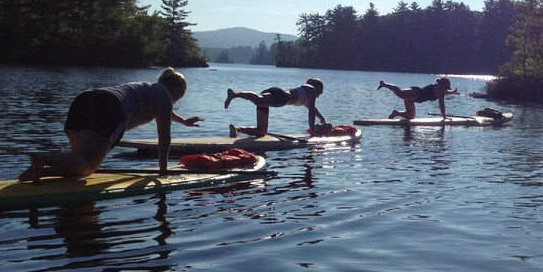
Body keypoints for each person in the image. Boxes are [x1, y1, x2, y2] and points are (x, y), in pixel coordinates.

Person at [20, 68, 203, 182]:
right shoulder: (163, 95)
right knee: (88, 165)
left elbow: (166, 113)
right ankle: (43, 158)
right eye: (179, 97)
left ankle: (39, 171)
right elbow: (164, 137)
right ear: (177, 90)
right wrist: (163, 171)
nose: (177, 102)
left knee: (78, 166)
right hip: (110, 108)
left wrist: (184, 122)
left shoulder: (150, 89)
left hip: (84, 100)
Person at [225, 78, 325, 137]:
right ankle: (234, 94)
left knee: (261, 131)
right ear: (317, 88)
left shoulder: (306, 96)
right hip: (281, 97)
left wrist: (322, 118)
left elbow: (313, 110)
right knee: (258, 100)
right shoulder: (311, 90)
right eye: (320, 93)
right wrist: (312, 131)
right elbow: (311, 112)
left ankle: (237, 129)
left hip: (278, 96)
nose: (319, 96)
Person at [377, 76, 459, 120]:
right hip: (416, 93)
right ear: (444, 85)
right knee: (400, 93)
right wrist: (444, 117)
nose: (447, 89)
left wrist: (453, 92)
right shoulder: (440, 88)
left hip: (414, 99)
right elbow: (441, 104)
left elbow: (445, 93)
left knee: (411, 116)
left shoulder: (441, 89)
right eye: (447, 87)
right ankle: (384, 84)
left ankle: (396, 113)